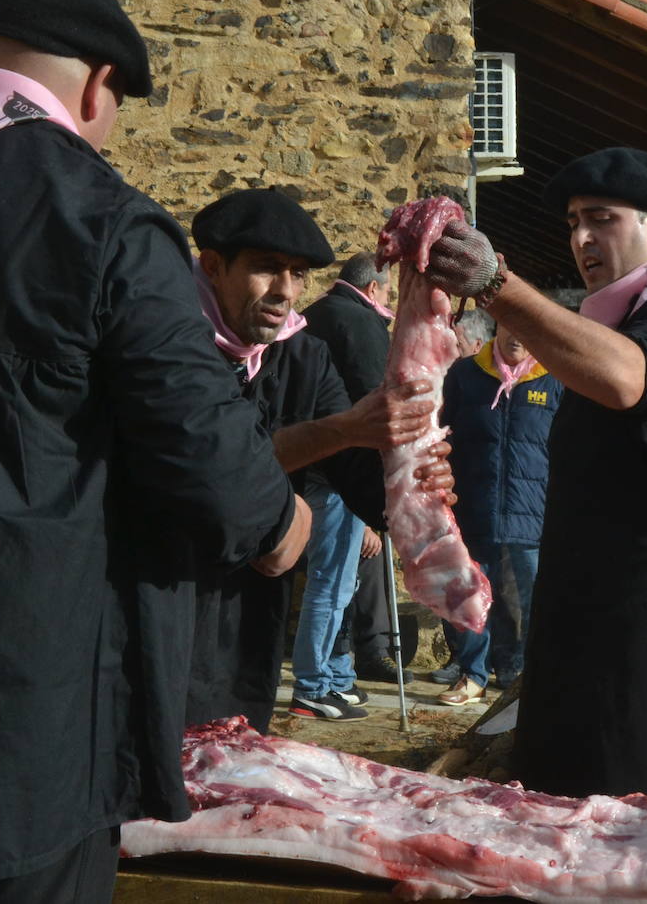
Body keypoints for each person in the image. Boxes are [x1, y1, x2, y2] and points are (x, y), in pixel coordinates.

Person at [0, 0, 311, 898]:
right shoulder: (99, 217)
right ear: (99, 86)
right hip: (21, 725)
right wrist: (281, 524)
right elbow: (207, 456)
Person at [420, 146, 647, 796]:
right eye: (573, 223)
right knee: (559, 793)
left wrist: (497, 286)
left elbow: (630, 378)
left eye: (601, 219)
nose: (581, 239)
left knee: (628, 806)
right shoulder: (619, 319)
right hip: (587, 604)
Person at [182, 189, 452, 730]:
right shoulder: (170, 343)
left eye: (298, 274)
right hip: (164, 600)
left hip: (247, 619)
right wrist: (340, 431)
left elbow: (357, 467)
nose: (285, 292)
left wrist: (415, 488)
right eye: (266, 269)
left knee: (229, 765)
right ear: (213, 266)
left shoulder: (303, 355)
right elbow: (202, 464)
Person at [434, 321, 563, 705]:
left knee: (531, 600)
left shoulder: (554, 380)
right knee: (471, 595)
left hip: (531, 512)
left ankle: (522, 674)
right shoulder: (466, 374)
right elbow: (441, 432)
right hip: (475, 507)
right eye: (509, 325)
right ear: (497, 329)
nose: (517, 334)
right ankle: (473, 674)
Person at [300, 252, 412, 685]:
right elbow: (376, 400)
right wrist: (373, 492)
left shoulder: (312, 315)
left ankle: (335, 673)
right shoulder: (361, 323)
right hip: (342, 472)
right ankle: (315, 682)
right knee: (331, 584)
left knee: (334, 583)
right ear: (373, 289)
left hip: (312, 459)